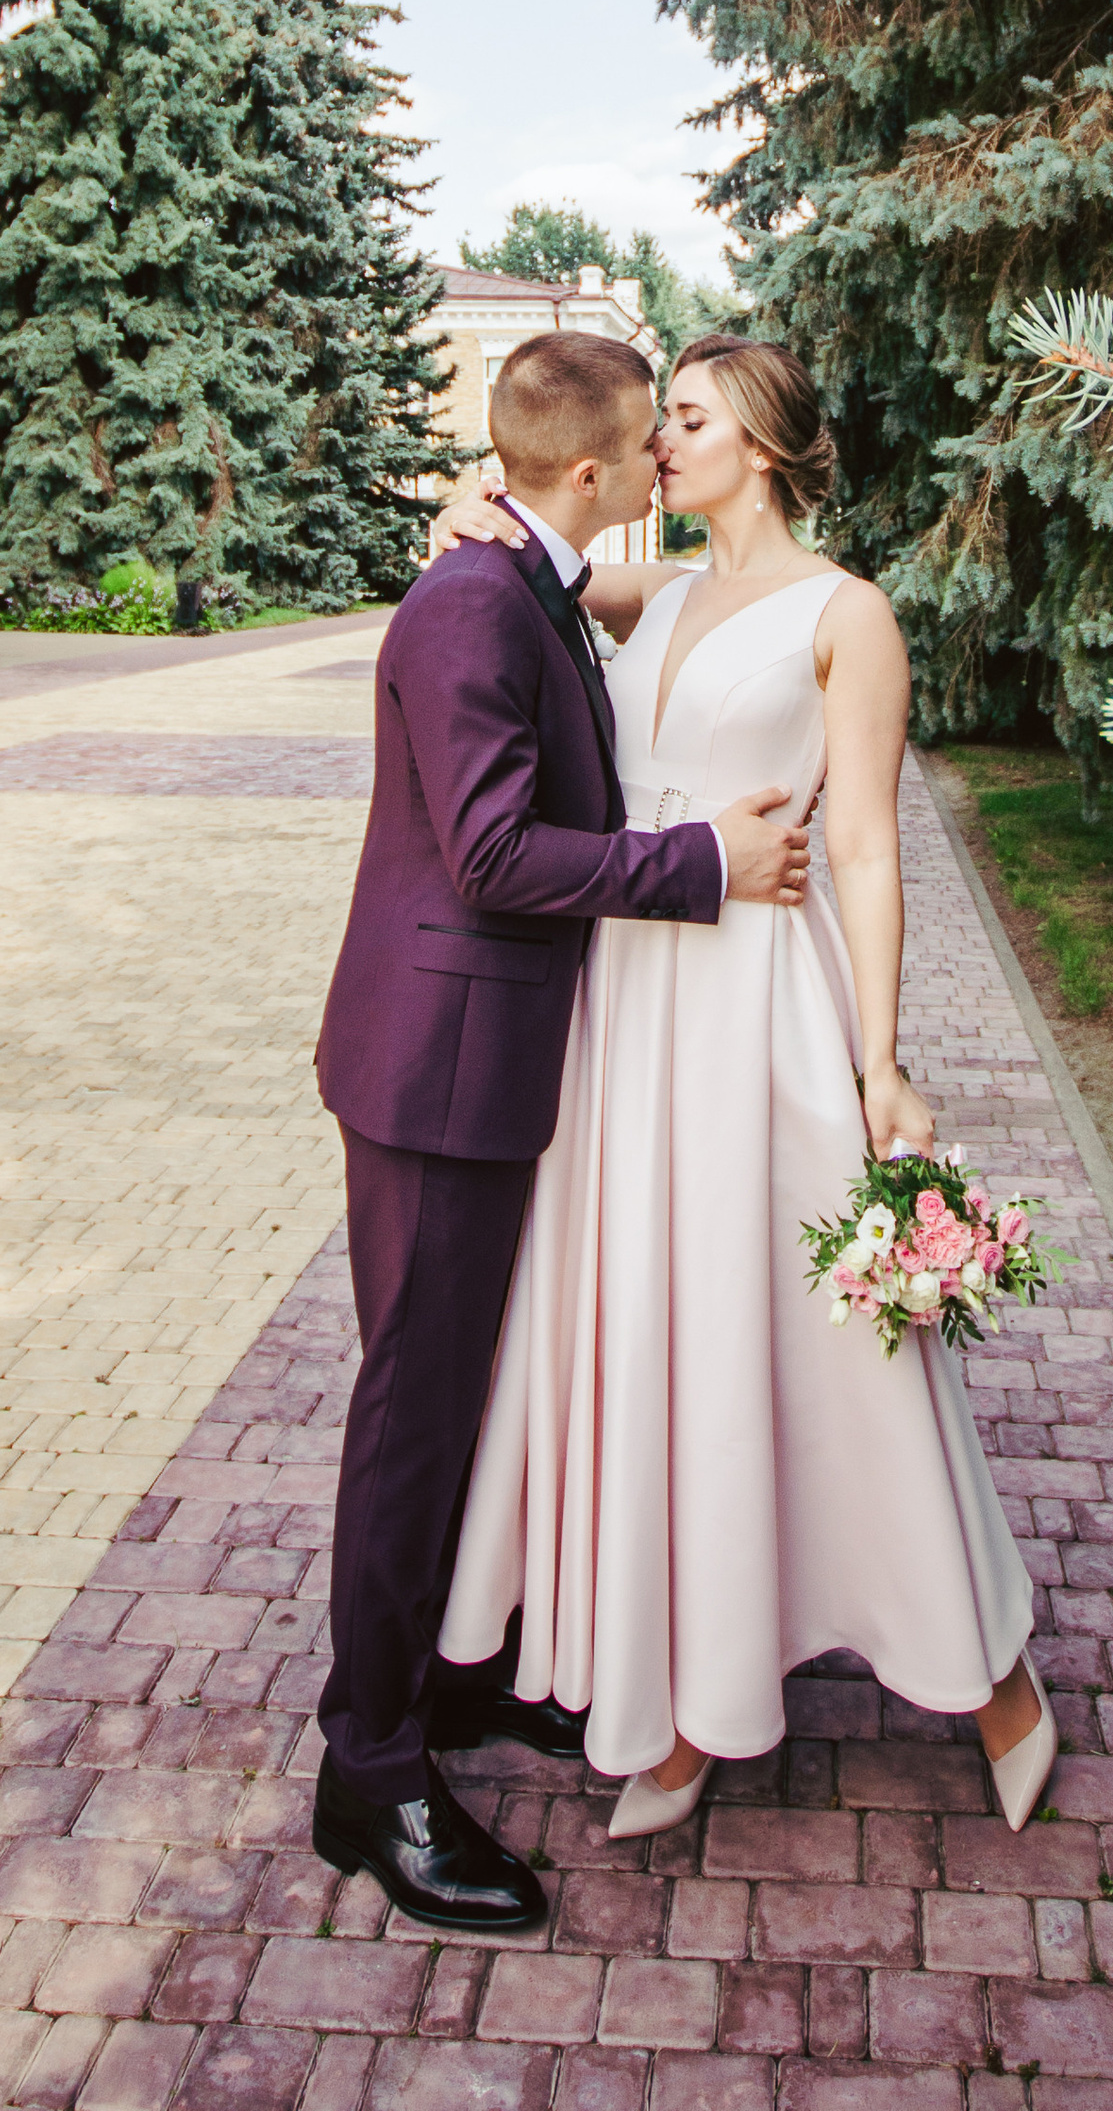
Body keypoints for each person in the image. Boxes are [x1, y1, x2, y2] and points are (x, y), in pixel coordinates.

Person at [431, 330, 1055, 1841]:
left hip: (760, 1002)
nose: (660, 447)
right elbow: (517, 551)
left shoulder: (849, 613)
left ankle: (994, 1679)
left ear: (760, 442)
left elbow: (861, 846)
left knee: (835, 1346)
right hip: (632, 1003)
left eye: (688, 421)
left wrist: (883, 1058)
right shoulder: (652, 591)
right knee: (663, 1328)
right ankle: (687, 1699)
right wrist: (467, 510)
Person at [310, 330, 812, 1935]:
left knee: (460, 1401)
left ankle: (451, 1685)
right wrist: (697, 867)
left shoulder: (528, 573)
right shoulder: (470, 601)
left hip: (491, 1063)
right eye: (644, 444)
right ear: (587, 472)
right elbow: (493, 857)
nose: (664, 463)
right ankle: (369, 1768)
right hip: (435, 1073)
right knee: (412, 1413)